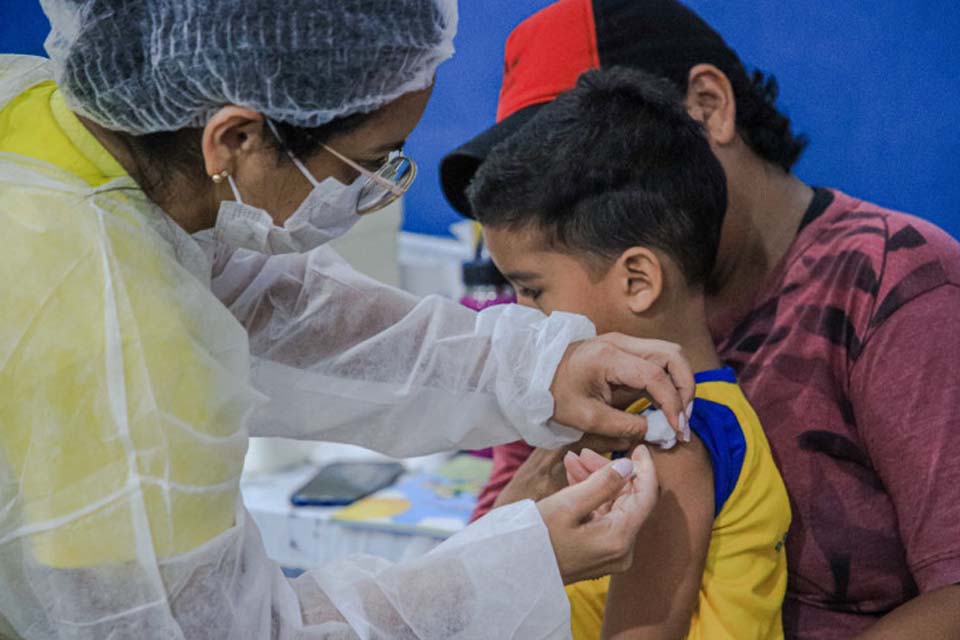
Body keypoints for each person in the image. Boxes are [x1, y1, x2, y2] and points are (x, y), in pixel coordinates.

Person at [0, 1, 700, 638]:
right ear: (236, 139)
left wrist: (535, 368)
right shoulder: (107, 340)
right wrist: (515, 563)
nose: (373, 189)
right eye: (365, 164)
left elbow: (272, 310)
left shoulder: (46, 128)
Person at [440, 1, 960, 638]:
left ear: (709, 106)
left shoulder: (898, 286)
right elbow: (503, 541)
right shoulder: (582, 336)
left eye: (588, 160)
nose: (557, 202)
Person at [468, 65, 791, 640]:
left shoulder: (668, 443)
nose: (516, 316)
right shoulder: (631, 425)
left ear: (638, 280)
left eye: (532, 289)